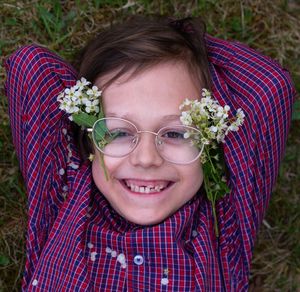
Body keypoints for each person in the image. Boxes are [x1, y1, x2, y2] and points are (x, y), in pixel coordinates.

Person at [4, 16, 295, 291]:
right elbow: (29, 66)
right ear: (88, 134)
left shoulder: (224, 220)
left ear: (209, 138)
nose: (146, 159)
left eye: (175, 133)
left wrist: (186, 40)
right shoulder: (64, 194)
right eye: (118, 132)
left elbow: (270, 87)